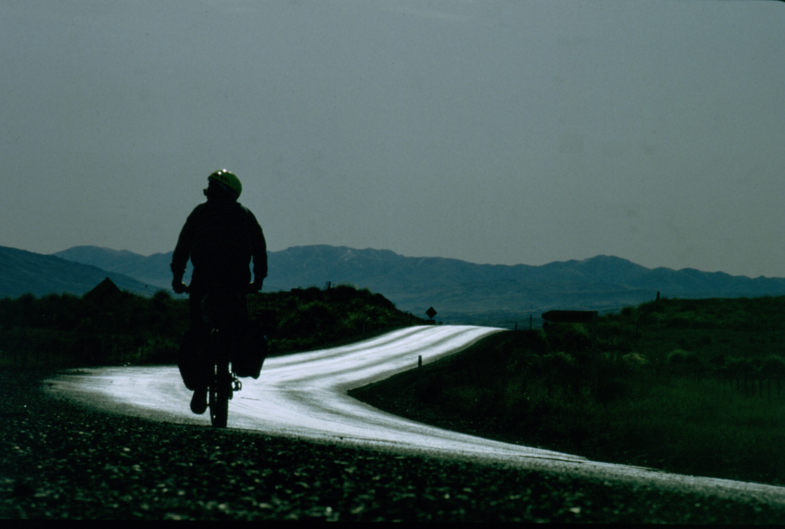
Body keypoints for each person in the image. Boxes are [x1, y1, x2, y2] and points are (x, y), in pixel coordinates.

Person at [171, 169, 267, 414]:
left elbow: (182, 247)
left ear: (217, 190)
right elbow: (259, 250)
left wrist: (177, 278)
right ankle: (231, 366)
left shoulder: (199, 213)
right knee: (238, 328)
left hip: (203, 281)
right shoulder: (246, 215)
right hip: (236, 283)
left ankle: (200, 386)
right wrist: (258, 280)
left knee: (198, 331)